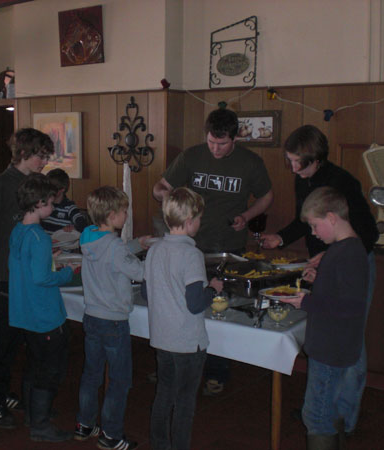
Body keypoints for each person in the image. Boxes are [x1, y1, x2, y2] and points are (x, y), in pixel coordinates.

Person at [261, 125, 378, 435]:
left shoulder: (343, 183)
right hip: (328, 262)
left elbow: (368, 233)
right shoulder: (305, 179)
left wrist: (332, 256)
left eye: (299, 162)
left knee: (350, 340)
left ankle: (343, 417)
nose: (293, 168)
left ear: (317, 159)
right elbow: (306, 221)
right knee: (327, 330)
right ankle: (323, 405)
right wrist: (281, 238)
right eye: (290, 160)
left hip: (351, 261)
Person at [152, 108, 273, 395]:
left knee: (219, 308)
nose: (216, 149)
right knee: (180, 306)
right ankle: (171, 365)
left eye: (222, 144)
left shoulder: (250, 163)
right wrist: (169, 197)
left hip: (228, 247)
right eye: (211, 143)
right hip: (187, 244)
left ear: (235, 139)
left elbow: (267, 195)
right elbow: (160, 187)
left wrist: (247, 215)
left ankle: (217, 372)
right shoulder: (192, 156)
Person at [0, 128, 55, 428]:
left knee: (18, 341)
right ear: (23, 153)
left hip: (21, 279)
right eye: (40, 156)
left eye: (46, 157)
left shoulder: (32, 184)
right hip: (0, 277)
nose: (44, 162)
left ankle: (6, 393)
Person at [279, 186, 369, 450]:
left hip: (332, 349)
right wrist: (320, 281)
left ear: (332, 217)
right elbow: (342, 291)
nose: (313, 232)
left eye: (316, 226)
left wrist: (306, 301)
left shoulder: (349, 253)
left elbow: (351, 306)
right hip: (333, 346)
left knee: (316, 416)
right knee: (327, 410)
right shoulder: (344, 250)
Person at [142, 187, 224, 450]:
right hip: (188, 343)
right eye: (199, 218)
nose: (200, 223)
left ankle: (159, 445)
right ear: (189, 222)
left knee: (164, 395)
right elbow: (195, 304)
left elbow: (146, 291)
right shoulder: (191, 255)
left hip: (162, 338)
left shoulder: (154, 250)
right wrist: (213, 289)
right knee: (185, 401)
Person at [74, 186, 148, 450]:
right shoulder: (115, 247)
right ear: (114, 215)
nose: (127, 215)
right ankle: (111, 434)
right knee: (120, 379)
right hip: (114, 322)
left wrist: (138, 244)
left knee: (91, 373)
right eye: (124, 211)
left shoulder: (87, 237)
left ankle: (85, 424)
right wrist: (159, 260)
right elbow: (139, 272)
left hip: (92, 316)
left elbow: (112, 252)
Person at [8, 172, 77, 442]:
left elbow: (25, 264)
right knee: (50, 369)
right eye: (50, 202)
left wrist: (48, 257)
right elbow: (43, 278)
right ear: (38, 203)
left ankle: (32, 412)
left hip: (25, 312)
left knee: (34, 365)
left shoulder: (19, 230)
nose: (54, 207)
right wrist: (67, 273)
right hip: (45, 315)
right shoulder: (40, 237)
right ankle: (41, 425)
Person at [41, 168, 88, 234]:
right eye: (47, 187)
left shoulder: (69, 207)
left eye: (52, 188)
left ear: (62, 189)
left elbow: (82, 224)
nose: (48, 191)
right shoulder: (43, 203)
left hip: (60, 243)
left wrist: (73, 228)